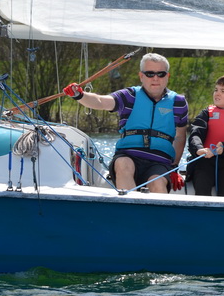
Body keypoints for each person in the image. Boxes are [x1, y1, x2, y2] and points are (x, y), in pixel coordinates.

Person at [63, 52, 189, 194]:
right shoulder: (129, 96)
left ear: (167, 76)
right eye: (150, 74)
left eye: (161, 74)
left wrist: (174, 167)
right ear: (141, 76)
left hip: (159, 162)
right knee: (124, 165)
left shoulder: (179, 103)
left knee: (157, 182)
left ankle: (155, 209)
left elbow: (180, 137)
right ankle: (131, 206)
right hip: (128, 156)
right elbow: (101, 101)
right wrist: (79, 95)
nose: (155, 78)